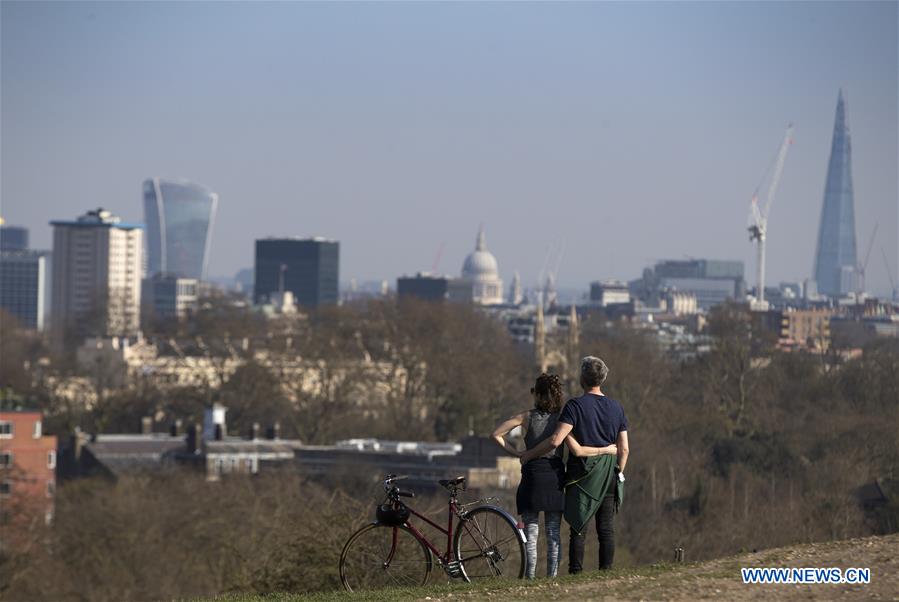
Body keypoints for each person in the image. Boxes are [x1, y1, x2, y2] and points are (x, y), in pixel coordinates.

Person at [493, 373, 616, 579]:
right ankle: (552, 578)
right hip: (555, 477)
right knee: (553, 533)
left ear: (537, 394)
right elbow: (577, 450)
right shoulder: (562, 420)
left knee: (531, 535)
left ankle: (530, 579)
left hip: (532, 476)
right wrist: (606, 450)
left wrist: (519, 454)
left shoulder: (526, 417)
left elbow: (495, 434)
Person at [519, 356, 629, 573]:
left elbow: (555, 441)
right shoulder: (617, 408)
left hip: (581, 475)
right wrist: (619, 470)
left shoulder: (575, 406)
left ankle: (576, 572)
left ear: (582, 378)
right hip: (608, 473)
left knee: (579, 528)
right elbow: (624, 448)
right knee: (606, 529)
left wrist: (529, 453)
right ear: (603, 378)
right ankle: (606, 572)